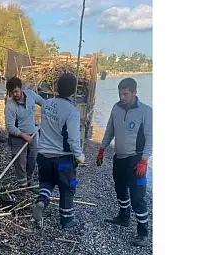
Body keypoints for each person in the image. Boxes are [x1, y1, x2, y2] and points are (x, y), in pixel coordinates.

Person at [96, 77, 152, 246]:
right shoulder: (116, 108)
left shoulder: (146, 111)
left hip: (136, 159)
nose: (122, 97)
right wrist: (101, 149)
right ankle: (123, 217)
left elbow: (150, 137)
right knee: (120, 189)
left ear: (134, 93)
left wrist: (144, 160)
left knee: (138, 197)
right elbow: (109, 130)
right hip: (119, 157)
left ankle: (143, 233)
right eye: (120, 93)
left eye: (126, 94)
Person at [31, 72, 86, 229]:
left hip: (43, 155)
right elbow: (73, 139)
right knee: (68, 187)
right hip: (63, 159)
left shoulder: (47, 104)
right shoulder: (72, 111)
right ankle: (67, 220)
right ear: (74, 90)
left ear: (57, 87)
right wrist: (80, 156)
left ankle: (42, 201)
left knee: (47, 182)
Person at [4, 77, 45, 188]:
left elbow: (42, 102)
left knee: (33, 158)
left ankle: (29, 179)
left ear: (21, 88)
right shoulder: (10, 106)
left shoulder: (30, 95)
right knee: (20, 161)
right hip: (17, 137)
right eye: (12, 93)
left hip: (33, 134)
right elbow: (10, 127)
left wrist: (48, 112)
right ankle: (22, 184)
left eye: (16, 91)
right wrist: (23, 135)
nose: (15, 94)